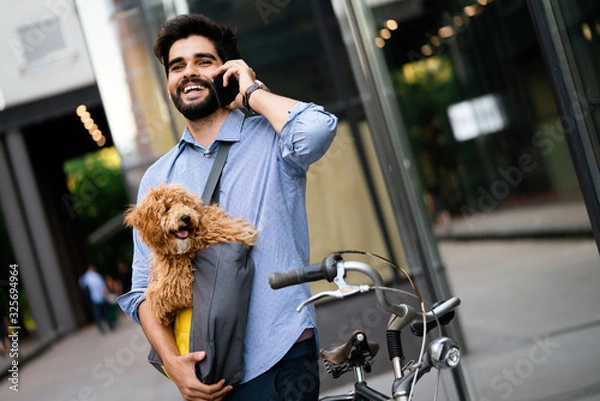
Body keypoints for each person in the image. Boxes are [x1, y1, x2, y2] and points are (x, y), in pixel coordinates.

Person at [116, 13, 337, 401]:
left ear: (228, 71)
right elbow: (140, 292)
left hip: (282, 352)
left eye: (203, 61)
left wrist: (252, 93)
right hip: (209, 372)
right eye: (177, 66)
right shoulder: (157, 177)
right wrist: (174, 365)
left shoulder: (272, 139)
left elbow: (316, 130)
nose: (188, 73)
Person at [80, 264, 114, 334]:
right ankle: (110, 325)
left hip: (94, 298)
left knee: (97, 315)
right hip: (100, 297)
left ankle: (101, 329)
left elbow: (82, 284)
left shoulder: (87, 277)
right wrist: (106, 296)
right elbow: (103, 287)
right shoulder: (97, 276)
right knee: (105, 312)